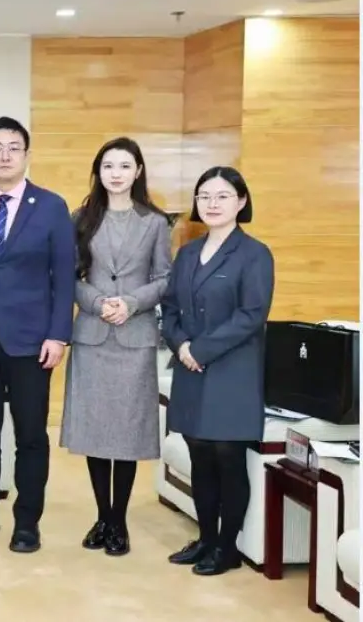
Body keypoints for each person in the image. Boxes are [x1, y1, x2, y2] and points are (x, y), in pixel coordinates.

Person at [0, 116, 75, 554]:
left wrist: (58, 335)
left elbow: (64, 276)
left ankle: (27, 522)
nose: (5, 155)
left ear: (26, 154)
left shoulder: (51, 207)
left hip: (31, 341)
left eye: (13, 148)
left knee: (31, 437)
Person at [60, 137, 172, 557]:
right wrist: (96, 302)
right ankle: (102, 515)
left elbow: (164, 278)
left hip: (134, 336)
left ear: (138, 171)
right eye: (108, 166)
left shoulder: (155, 222)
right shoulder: (81, 218)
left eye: (125, 166)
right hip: (92, 336)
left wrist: (131, 303)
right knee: (95, 432)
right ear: (98, 171)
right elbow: (70, 276)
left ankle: (119, 521)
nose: (116, 173)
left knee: (126, 432)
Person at [161, 166, 274, 576]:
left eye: (222, 196)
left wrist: (201, 349)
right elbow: (170, 308)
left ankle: (228, 548)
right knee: (200, 456)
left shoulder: (254, 254)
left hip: (232, 370)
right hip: (191, 367)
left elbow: (252, 315)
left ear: (241, 202)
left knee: (228, 458)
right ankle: (206, 539)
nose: (212, 203)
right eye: (204, 195)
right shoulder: (188, 253)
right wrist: (181, 345)